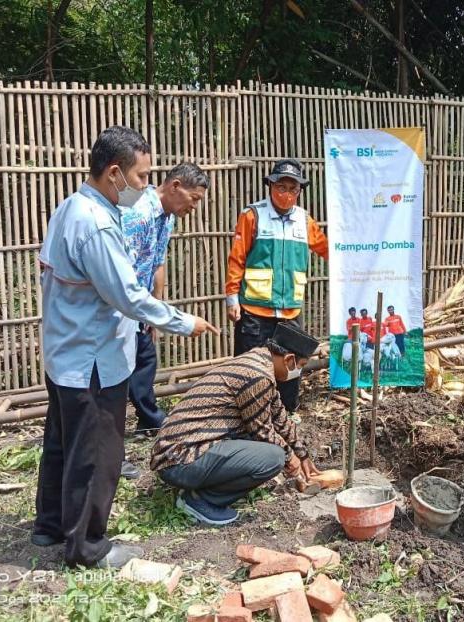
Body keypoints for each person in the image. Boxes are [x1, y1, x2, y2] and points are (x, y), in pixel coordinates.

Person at [32, 126, 220, 569]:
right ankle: (87, 548)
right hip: (93, 358)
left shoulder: (70, 207)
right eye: (140, 177)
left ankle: (50, 526)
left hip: (65, 351)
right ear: (114, 173)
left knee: (62, 443)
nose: (143, 186)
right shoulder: (96, 225)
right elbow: (128, 295)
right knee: (99, 455)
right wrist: (182, 321)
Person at [150, 324, 322, 525]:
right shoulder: (256, 376)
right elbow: (262, 431)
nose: (298, 372)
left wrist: (302, 453)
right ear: (289, 360)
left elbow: (279, 417)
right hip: (178, 458)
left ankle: (200, 484)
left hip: (180, 451)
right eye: (300, 366)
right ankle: (200, 501)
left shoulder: (259, 361)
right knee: (273, 457)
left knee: (263, 447)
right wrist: (289, 457)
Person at [119, 162, 210, 480]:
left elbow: (156, 263)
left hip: (139, 307)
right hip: (119, 310)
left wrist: (155, 310)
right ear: (175, 186)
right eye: (194, 198)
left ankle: (148, 419)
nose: (194, 206)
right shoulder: (138, 215)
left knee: (145, 359)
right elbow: (120, 273)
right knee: (113, 382)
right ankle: (111, 454)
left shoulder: (166, 218)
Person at [225, 158, 328, 412]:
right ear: (270, 186)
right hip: (254, 311)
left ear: (300, 191)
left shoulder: (305, 220)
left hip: (290, 311)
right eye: (281, 187)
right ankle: (248, 417)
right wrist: (231, 297)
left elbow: (328, 250)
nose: (287, 194)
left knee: (291, 368)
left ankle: (287, 414)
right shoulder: (252, 216)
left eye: (293, 189)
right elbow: (237, 257)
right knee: (249, 370)